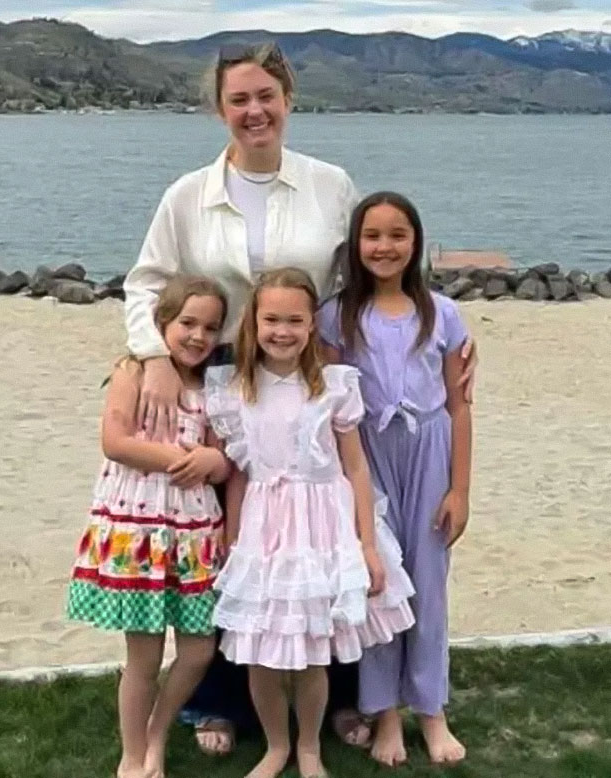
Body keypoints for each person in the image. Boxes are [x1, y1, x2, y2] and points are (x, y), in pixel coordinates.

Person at [122, 42, 478, 756]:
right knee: (234, 540)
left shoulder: (328, 183)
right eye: (238, 100)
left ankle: (342, 700)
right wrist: (157, 357)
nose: (254, 111)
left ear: (288, 100)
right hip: (224, 374)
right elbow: (145, 283)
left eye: (266, 96)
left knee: (325, 539)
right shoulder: (187, 194)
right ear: (219, 109)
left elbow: (374, 277)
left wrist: (436, 336)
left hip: (315, 373)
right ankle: (220, 702)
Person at [206, 267, 415, 778]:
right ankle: (276, 744)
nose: (283, 330)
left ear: (311, 325)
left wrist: (367, 545)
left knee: (313, 650)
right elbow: (237, 476)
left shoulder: (334, 386)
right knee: (260, 649)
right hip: (264, 527)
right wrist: (233, 542)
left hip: (324, 526)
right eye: (271, 319)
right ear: (254, 322)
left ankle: (308, 747)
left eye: (295, 320)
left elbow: (357, 467)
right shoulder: (235, 390)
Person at [317, 192, 473, 766]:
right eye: (373, 236)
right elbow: (329, 400)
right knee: (379, 583)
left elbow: (460, 407)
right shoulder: (335, 316)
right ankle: (384, 714)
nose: (385, 247)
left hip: (429, 454)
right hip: (367, 458)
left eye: (397, 235)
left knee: (429, 587)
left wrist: (460, 489)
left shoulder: (442, 313)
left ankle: (432, 712)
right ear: (356, 245)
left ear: (416, 241)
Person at [66, 276, 231, 778]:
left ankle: (158, 731)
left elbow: (225, 463)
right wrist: (180, 458)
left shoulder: (214, 388)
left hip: (194, 533)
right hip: (139, 531)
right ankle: (133, 755)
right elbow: (115, 441)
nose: (197, 336)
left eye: (210, 327)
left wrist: (211, 460)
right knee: (143, 654)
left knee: (200, 647)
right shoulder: (133, 370)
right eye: (187, 323)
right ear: (162, 324)